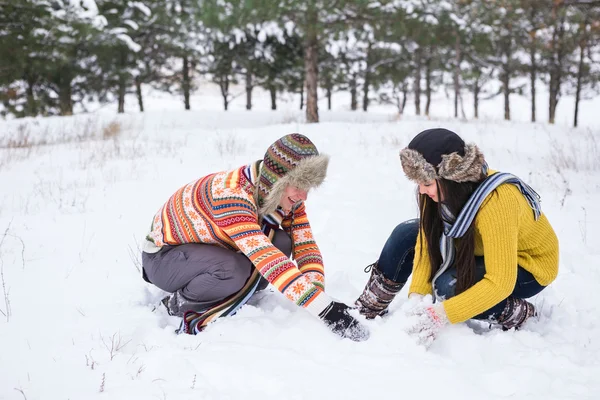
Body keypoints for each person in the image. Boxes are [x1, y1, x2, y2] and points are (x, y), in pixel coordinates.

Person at [142, 133, 369, 341]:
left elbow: (305, 245)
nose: (304, 196)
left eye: (308, 187)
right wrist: (324, 310)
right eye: (299, 185)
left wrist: (318, 295)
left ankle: (233, 287)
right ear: (276, 180)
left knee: (282, 241)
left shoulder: (281, 197)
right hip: (164, 259)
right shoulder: (230, 195)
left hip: (203, 252)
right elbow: (267, 258)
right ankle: (178, 303)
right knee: (231, 268)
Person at [354, 128, 559, 344]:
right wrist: (417, 300)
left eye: (426, 184)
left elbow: (501, 282)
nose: (422, 191)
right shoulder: (440, 191)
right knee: (405, 234)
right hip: (476, 245)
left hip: (526, 266)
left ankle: (518, 313)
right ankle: (369, 307)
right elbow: (427, 241)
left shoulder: (497, 201)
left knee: (448, 287)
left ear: (451, 179)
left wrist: (438, 315)